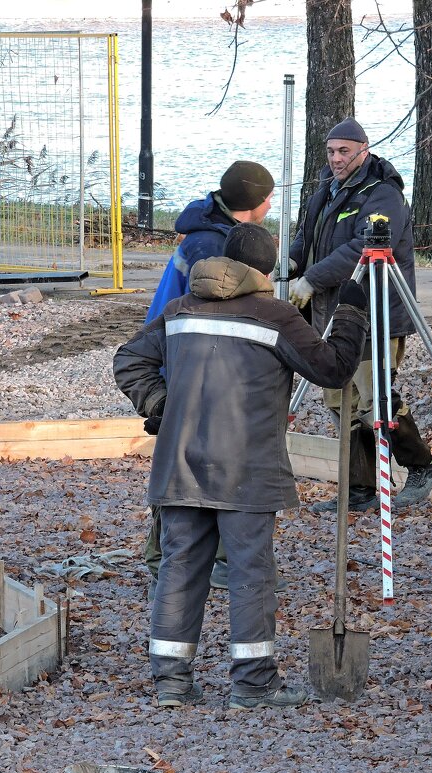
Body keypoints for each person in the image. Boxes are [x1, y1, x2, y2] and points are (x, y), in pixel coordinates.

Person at [114, 223, 369, 709]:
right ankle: (252, 684)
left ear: (225, 261)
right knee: (252, 573)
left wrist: (161, 406)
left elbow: (129, 359)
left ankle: (171, 682)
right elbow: (333, 369)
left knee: (179, 567)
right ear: (267, 269)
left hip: (181, 465)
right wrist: (352, 311)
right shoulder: (276, 317)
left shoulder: (180, 310)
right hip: (248, 470)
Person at [288, 117, 432, 513]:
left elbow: (364, 246)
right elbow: (307, 236)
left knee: (375, 401)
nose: (337, 159)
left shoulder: (383, 195)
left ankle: (422, 467)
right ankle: (360, 488)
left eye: (344, 151)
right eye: (331, 151)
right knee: (341, 402)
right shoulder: (325, 188)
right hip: (332, 315)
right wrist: (291, 262)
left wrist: (311, 279)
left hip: (376, 313)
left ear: (364, 149)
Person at [142, 161, 275, 593]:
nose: (272, 203)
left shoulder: (208, 229)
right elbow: (211, 310)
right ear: (254, 203)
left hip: (184, 350)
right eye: (268, 196)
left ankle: (197, 557)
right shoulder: (210, 246)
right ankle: (166, 558)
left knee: (196, 452)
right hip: (185, 355)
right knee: (187, 457)